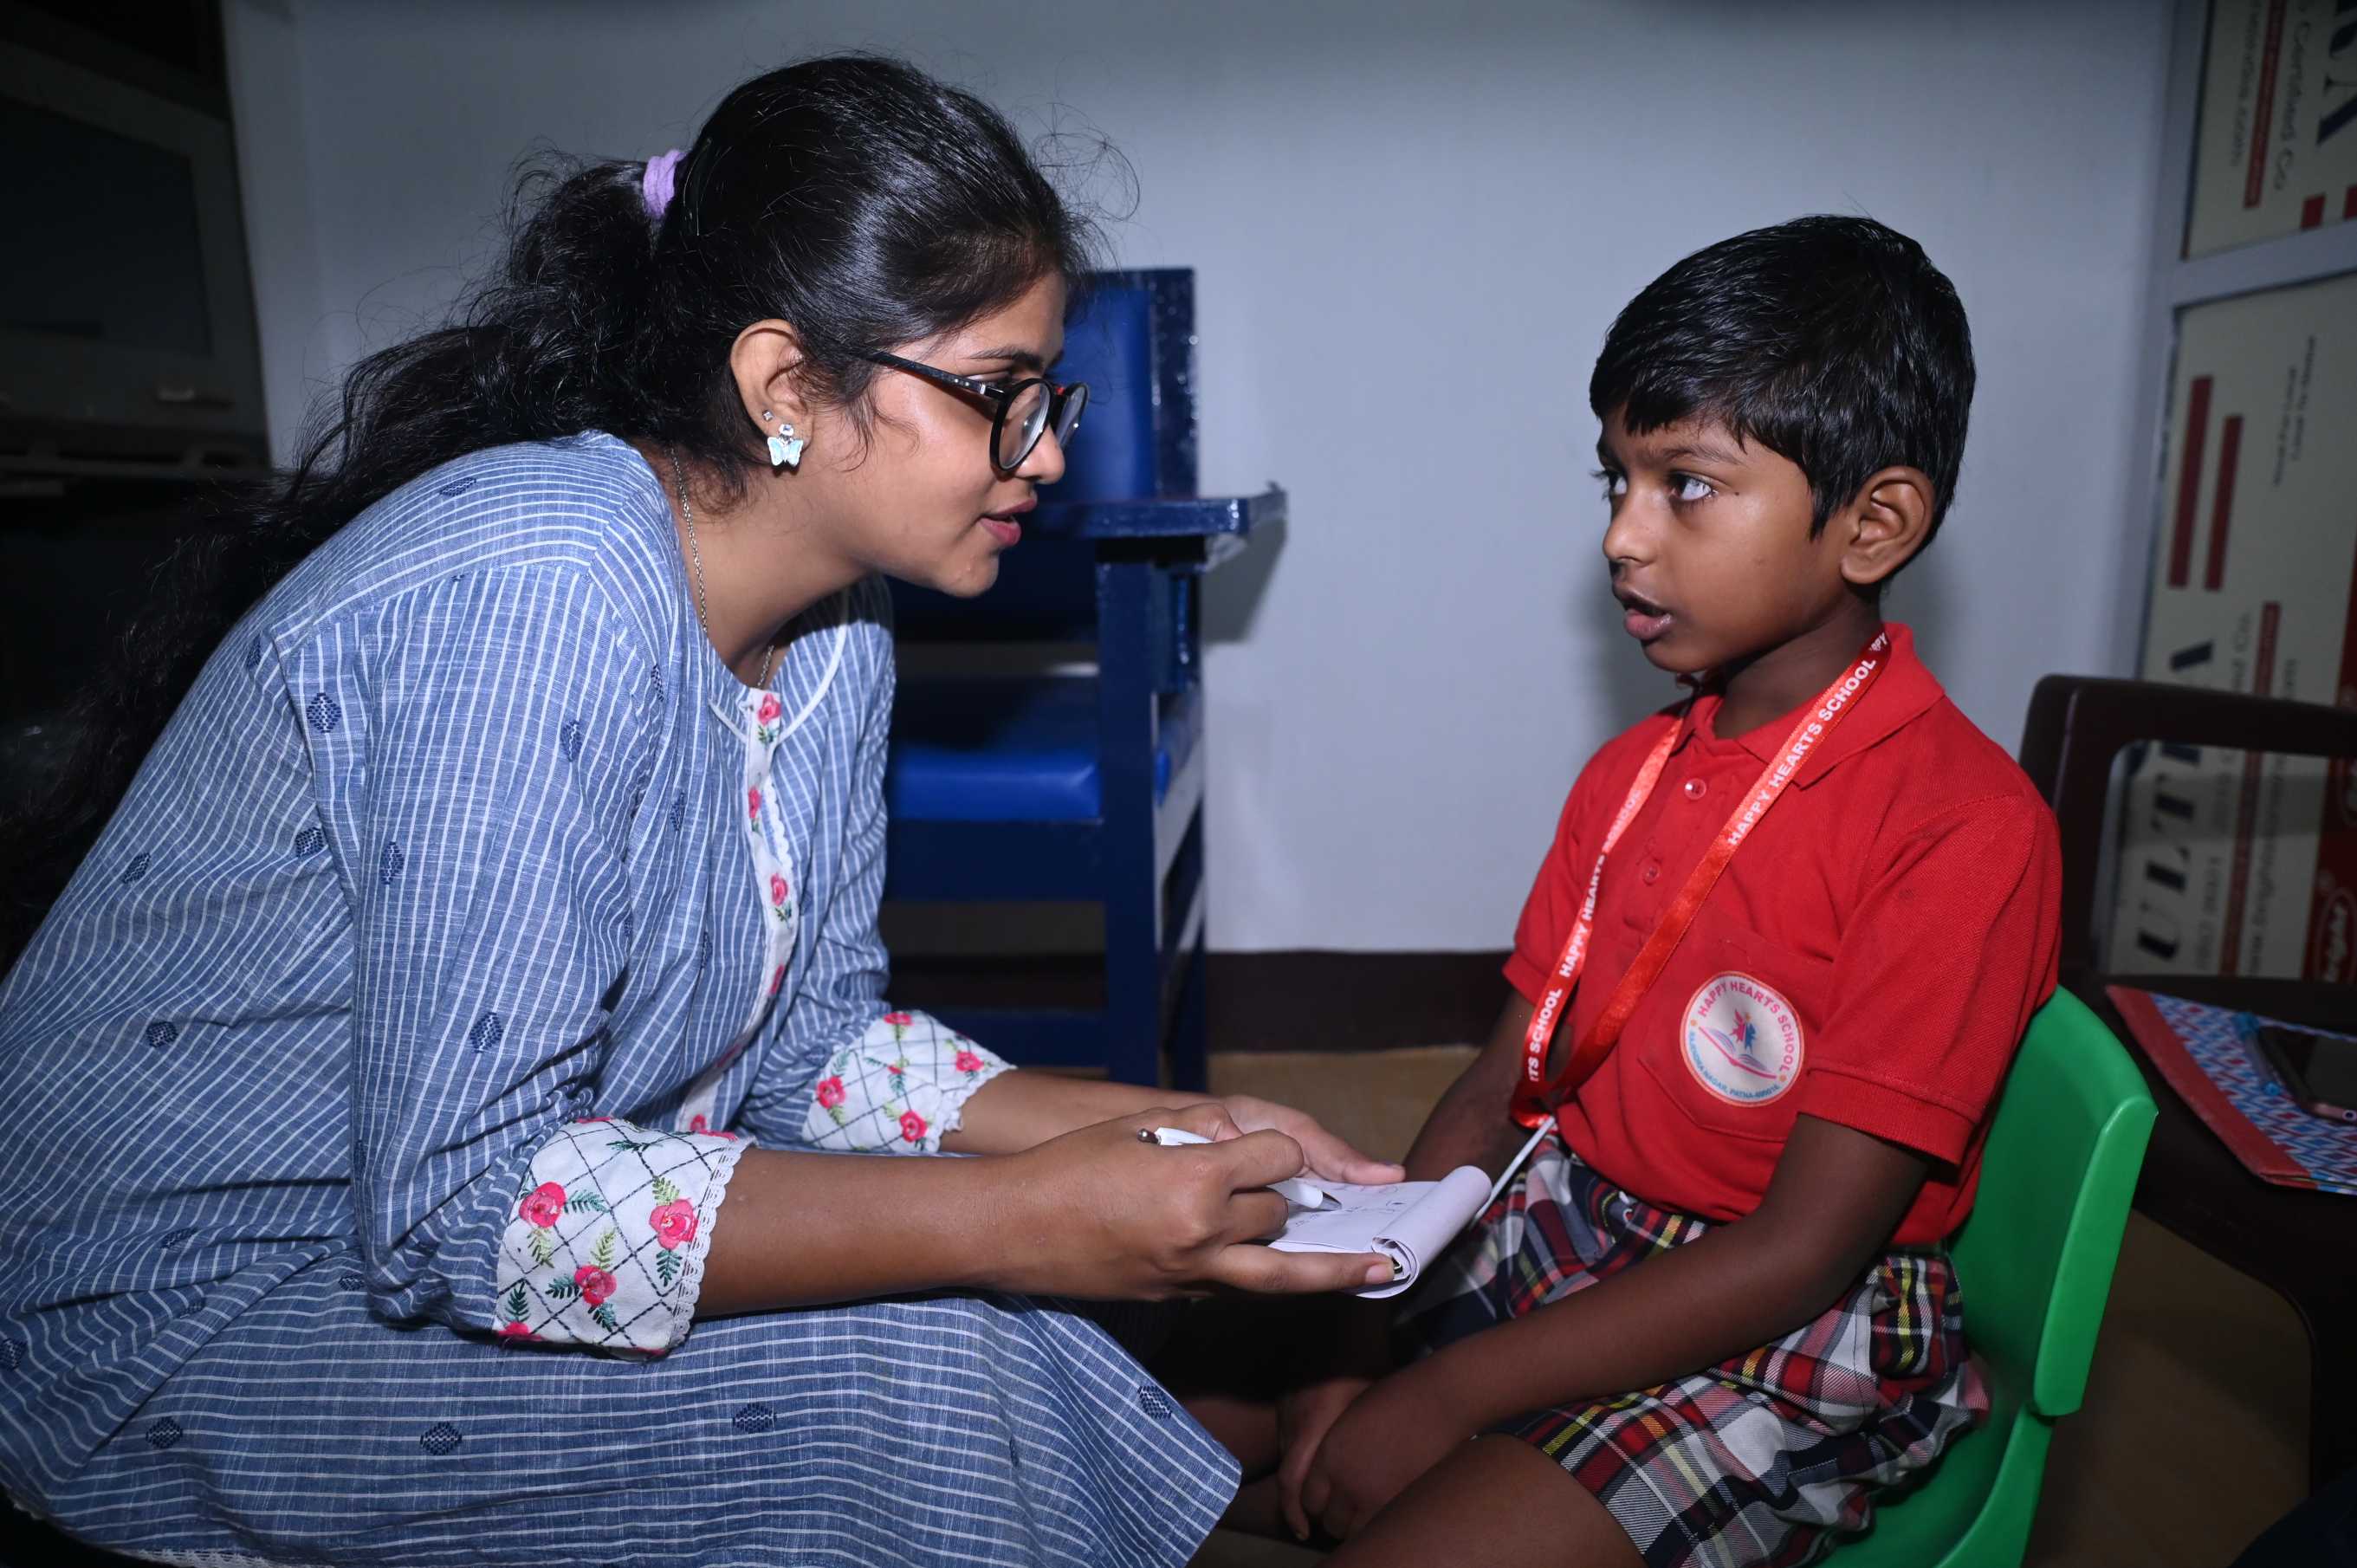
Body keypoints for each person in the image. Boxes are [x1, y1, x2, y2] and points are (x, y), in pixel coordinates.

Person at [0, 55, 1402, 1568]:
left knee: (1007, 1305)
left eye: (1043, 397)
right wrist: (1021, 1216)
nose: (1049, 454)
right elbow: (467, 1211)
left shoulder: (841, 621)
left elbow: (805, 1048)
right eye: (1000, 397)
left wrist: (1145, 1125)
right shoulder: (534, 583)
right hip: (168, 1328)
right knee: (933, 1355)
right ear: (785, 386)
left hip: (377, 1242)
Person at [1188, 217, 2062, 1567]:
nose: (1621, 538)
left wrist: (1445, 1388)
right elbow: (1499, 1085)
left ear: (1873, 521)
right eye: (1613, 482)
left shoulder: (1962, 829)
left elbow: (1800, 1250)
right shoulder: (1631, 774)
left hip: (1784, 1312)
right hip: (1572, 1216)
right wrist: (1356, 1327)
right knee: (1154, 1420)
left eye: (1686, 486)